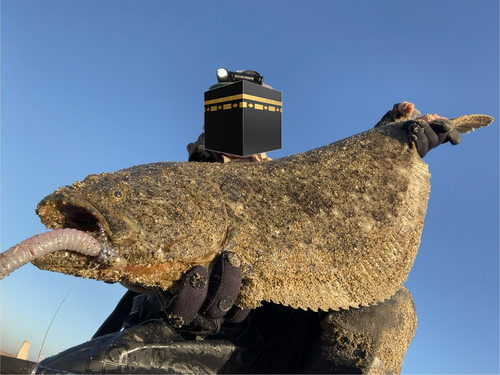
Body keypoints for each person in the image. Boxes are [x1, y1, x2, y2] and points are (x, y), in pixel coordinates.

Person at [33, 71, 460, 374]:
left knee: (387, 310)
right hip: (173, 339)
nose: (234, 126)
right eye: (225, 111)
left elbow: (324, 191)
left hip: (274, 350)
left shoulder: (288, 190)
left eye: (246, 111)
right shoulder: (181, 181)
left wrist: (389, 138)